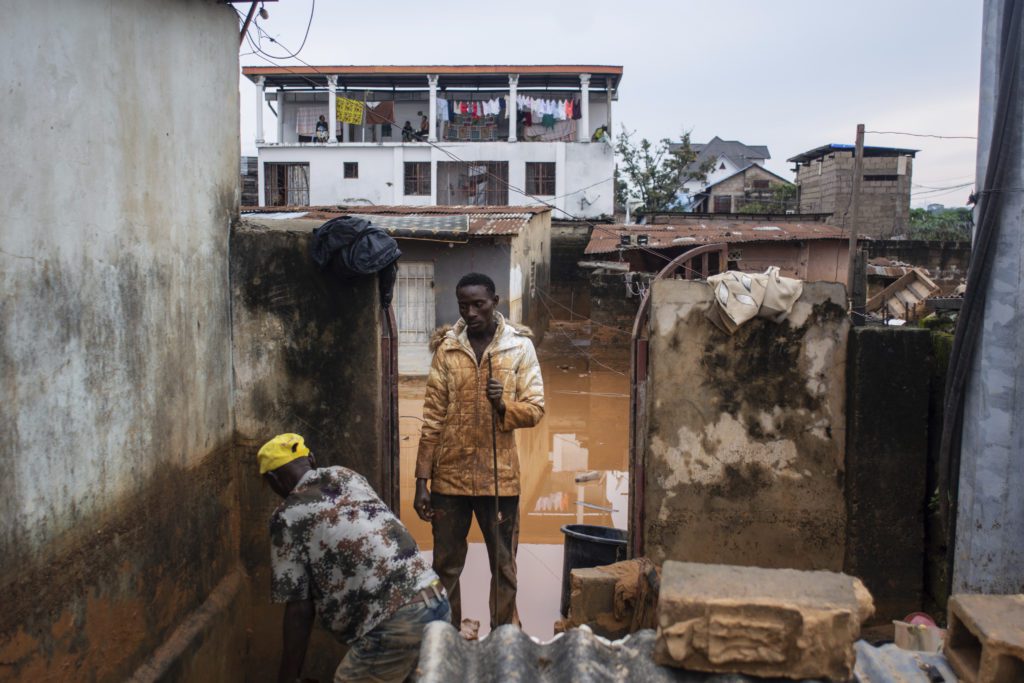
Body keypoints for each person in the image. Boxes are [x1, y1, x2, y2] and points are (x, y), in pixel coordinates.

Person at [258, 433, 449, 683]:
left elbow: (299, 609)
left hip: (396, 623)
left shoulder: (287, 517)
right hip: (436, 601)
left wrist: (287, 677)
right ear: (312, 459)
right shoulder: (347, 475)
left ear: (273, 480)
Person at [413, 273, 545, 630]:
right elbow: (431, 419)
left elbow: (535, 409)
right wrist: (422, 481)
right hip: (449, 480)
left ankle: (503, 637)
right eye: (463, 305)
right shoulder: (447, 350)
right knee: (445, 567)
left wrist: (504, 405)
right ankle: (448, 637)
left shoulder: (519, 348)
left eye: (478, 304)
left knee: (504, 567)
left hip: (499, 479)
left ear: (495, 302)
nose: (470, 312)